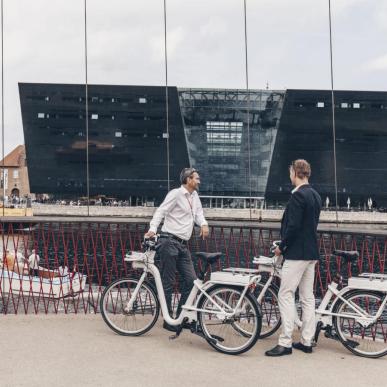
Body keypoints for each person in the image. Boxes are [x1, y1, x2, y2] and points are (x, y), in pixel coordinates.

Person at [265, 159, 322, 357]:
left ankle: (285, 342)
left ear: (296, 173)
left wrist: (282, 246)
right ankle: (307, 341)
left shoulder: (298, 196)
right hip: (311, 253)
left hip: (296, 253)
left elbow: (294, 226)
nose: (290, 176)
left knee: (285, 294)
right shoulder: (315, 195)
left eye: (290, 172)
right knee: (307, 298)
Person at [144, 167, 209, 332]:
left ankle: (181, 317)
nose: (199, 181)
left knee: (192, 281)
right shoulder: (176, 194)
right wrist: (152, 229)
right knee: (168, 282)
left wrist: (203, 224)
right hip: (168, 241)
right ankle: (168, 320)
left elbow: (198, 214)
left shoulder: (194, 196)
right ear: (188, 180)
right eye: (197, 178)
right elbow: (161, 211)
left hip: (182, 244)